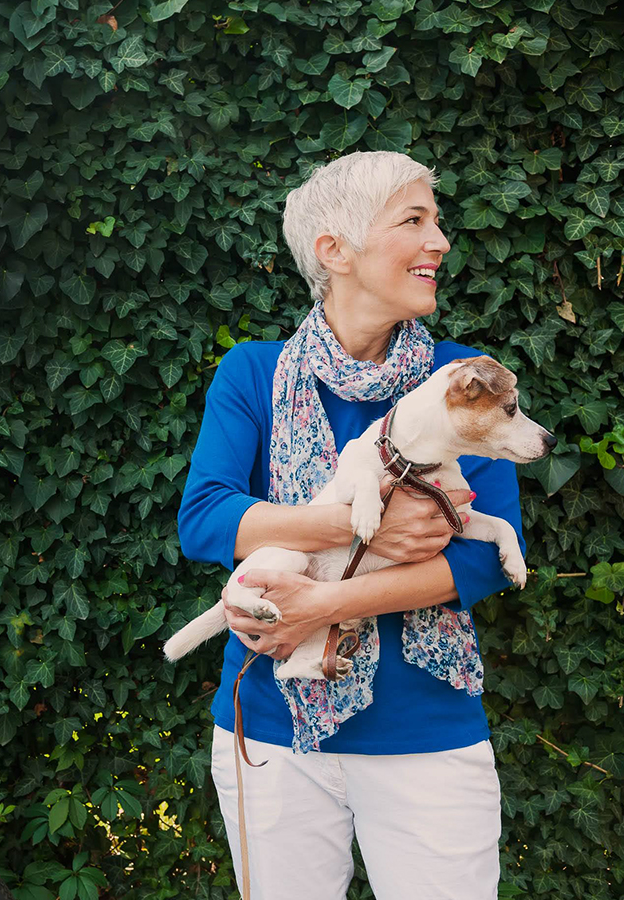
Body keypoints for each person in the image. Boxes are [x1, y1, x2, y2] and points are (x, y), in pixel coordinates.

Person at [175, 150, 524, 900]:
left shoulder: (464, 379)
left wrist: (325, 604)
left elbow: (483, 560)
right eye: (413, 220)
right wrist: (350, 524)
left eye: (436, 220)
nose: (440, 241)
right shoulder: (252, 373)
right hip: (269, 727)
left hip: (425, 734)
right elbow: (206, 517)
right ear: (334, 250)